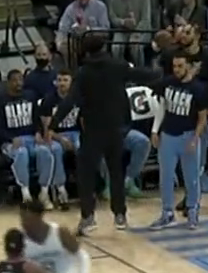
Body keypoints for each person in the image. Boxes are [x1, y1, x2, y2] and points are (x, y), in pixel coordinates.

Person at [52, 32, 156, 231]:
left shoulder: (83, 73)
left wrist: (52, 124)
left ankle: (88, 217)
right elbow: (141, 75)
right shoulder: (117, 65)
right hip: (116, 128)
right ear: (104, 47)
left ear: (86, 51)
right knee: (116, 171)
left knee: (86, 174)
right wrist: (164, 74)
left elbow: (69, 101)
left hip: (92, 129)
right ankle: (120, 215)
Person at [153, 53, 208, 229]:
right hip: (168, 135)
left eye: (180, 66)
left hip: (188, 135)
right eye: (174, 66)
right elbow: (161, 107)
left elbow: (202, 118)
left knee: (191, 177)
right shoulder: (167, 83)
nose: (176, 70)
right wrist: (155, 130)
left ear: (189, 67)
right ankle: (167, 213)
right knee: (166, 177)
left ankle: (192, 211)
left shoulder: (198, 89)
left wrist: (195, 138)